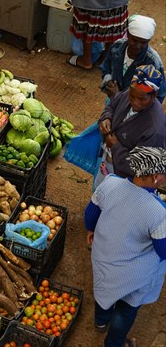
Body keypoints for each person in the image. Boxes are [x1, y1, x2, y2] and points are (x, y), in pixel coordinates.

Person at [84, 146, 166, 347]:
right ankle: (113, 343)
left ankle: (101, 322)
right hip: (133, 274)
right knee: (127, 308)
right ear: (155, 177)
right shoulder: (158, 211)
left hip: (103, 257)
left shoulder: (110, 183)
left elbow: (91, 214)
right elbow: (163, 251)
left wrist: (91, 230)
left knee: (103, 290)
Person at [94, 64, 166, 189]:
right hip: (108, 162)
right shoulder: (135, 90)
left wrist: (115, 146)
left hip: (125, 181)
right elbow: (112, 104)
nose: (134, 102)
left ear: (154, 96)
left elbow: (141, 168)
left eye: (141, 99)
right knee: (98, 192)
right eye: (131, 96)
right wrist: (106, 117)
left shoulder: (155, 130)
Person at [100, 15, 165, 102]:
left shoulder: (153, 62)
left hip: (134, 109)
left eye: (143, 42)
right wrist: (108, 81)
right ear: (128, 34)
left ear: (149, 41)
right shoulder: (117, 46)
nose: (138, 46)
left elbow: (159, 94)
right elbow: (106, 68)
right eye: (134, 40)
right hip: (112, 100)